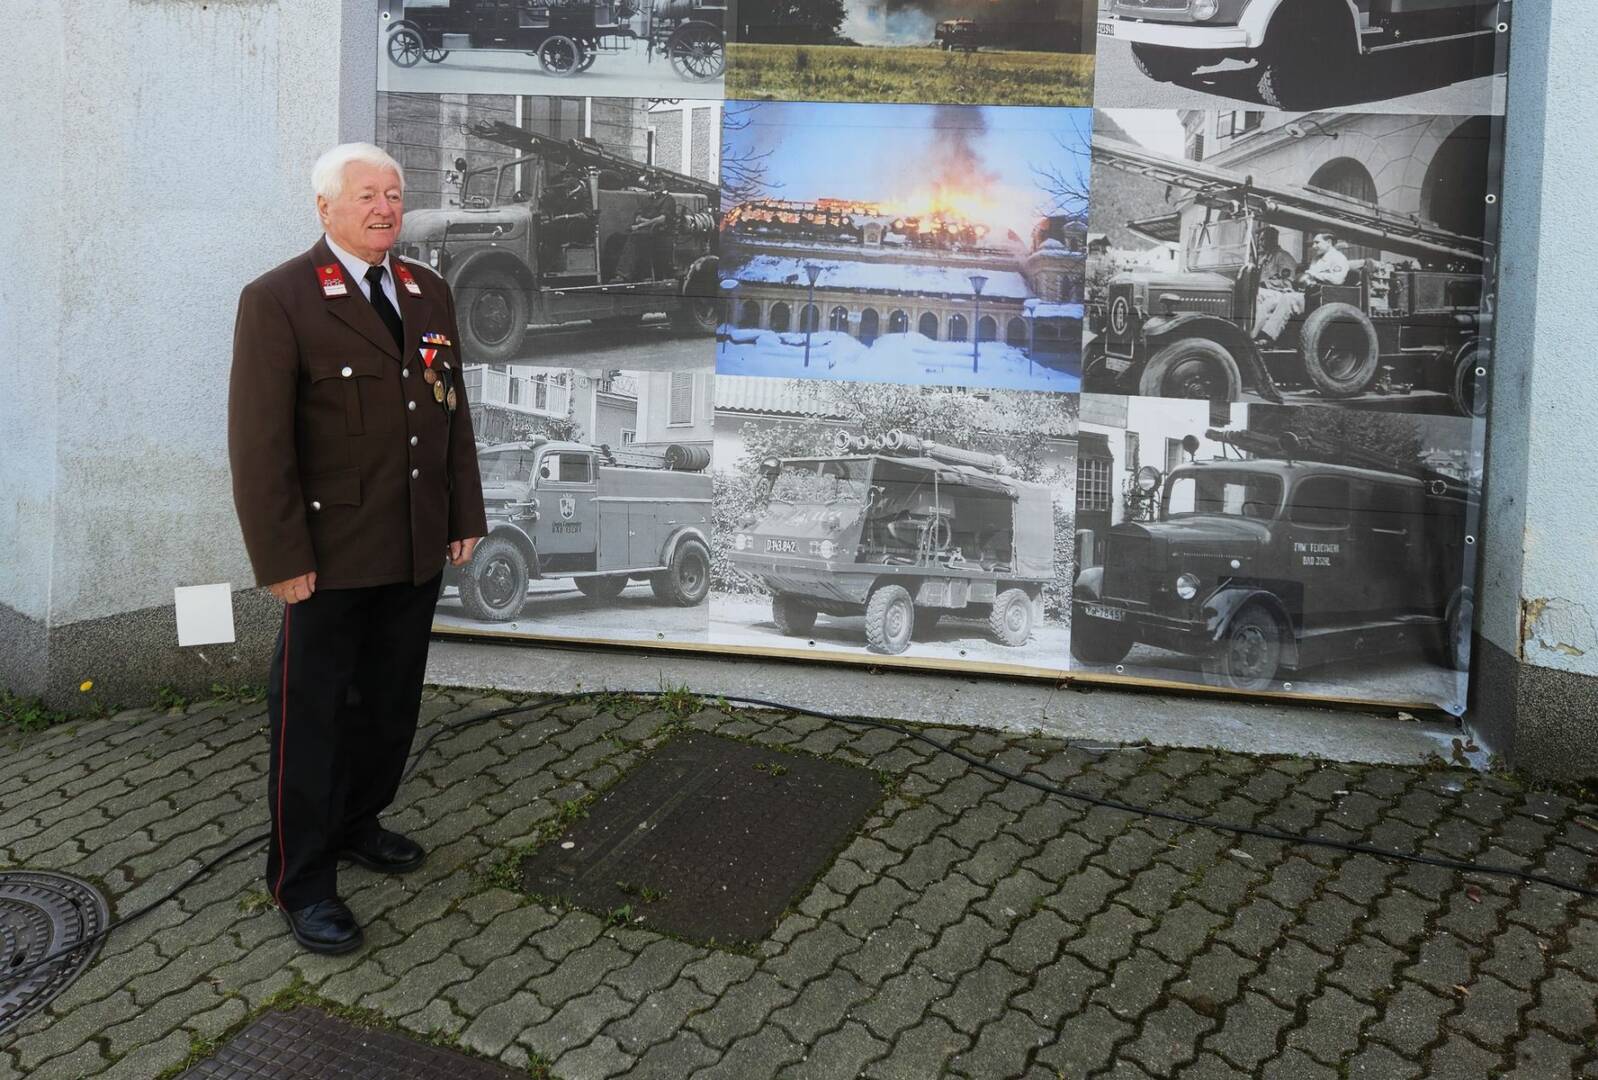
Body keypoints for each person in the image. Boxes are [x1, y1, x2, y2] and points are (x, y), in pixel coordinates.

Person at [228, 143, 487, 954]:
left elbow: (452, 415)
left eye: (394, 195)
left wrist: (463, 513)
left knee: (388, 706)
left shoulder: (427, 290)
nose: (385, 209)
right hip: (328, 556)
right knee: (310, 720)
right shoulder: (279, 299)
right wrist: (280, 558)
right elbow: (259, 443)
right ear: (325, 208)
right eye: (367, 196)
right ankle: (301, 880)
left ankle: (355, 822)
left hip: (413, 546)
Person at [1254, 230, 1350, 343]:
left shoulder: (1338, 258)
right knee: (1271, 301)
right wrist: (1293, 290)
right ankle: (1255, 334)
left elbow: (1338, 279)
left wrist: (1315, 274)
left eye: (1317, 243)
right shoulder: (1317, 259)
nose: (1314, 246)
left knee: (1288, 299)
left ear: (1328, 242)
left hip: (1323, 298)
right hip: (1310, 294)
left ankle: (1268, 337)